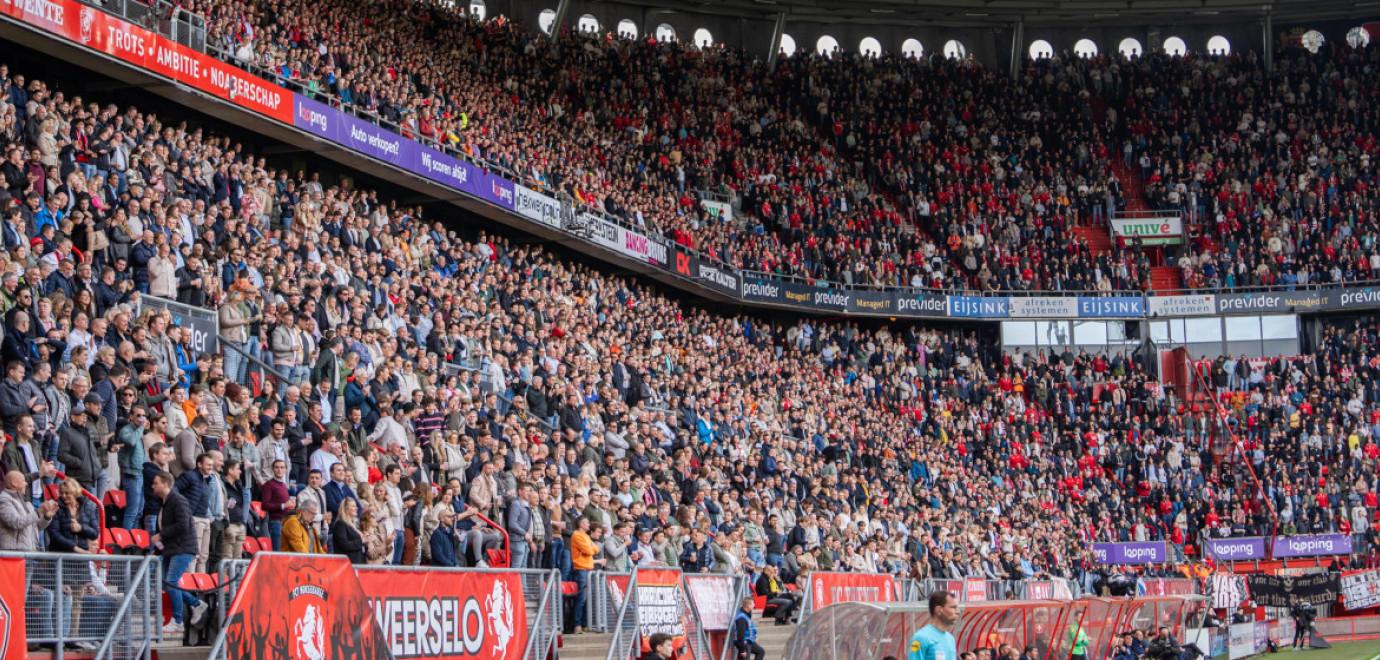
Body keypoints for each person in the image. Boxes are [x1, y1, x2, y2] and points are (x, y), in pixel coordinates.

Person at [151, 470, 208, 635]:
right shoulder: (165, 503)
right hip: (171, 549)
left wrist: (161, 535)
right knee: (165, 583)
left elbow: (182, 525)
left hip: (182, 549)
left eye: (155, 482)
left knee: (171, 581)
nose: (152, 485)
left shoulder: (178, 500)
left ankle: (177, 621)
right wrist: (156, 547)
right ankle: (196, 604)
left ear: (165, 484)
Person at [909, 591, 959, 660]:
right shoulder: (920, 638)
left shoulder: (951, 638)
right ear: (939, 610)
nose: (958, 611)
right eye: (953, 607)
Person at [331, 498, 365, 564]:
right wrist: (361, 541)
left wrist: (367, 541)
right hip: (347, 564)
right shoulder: (340, 524)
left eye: (356, 506)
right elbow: (345, 545)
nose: (356, 508)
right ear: (346, 509)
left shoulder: (355, 525)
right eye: (353, 506)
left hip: (359, 561)